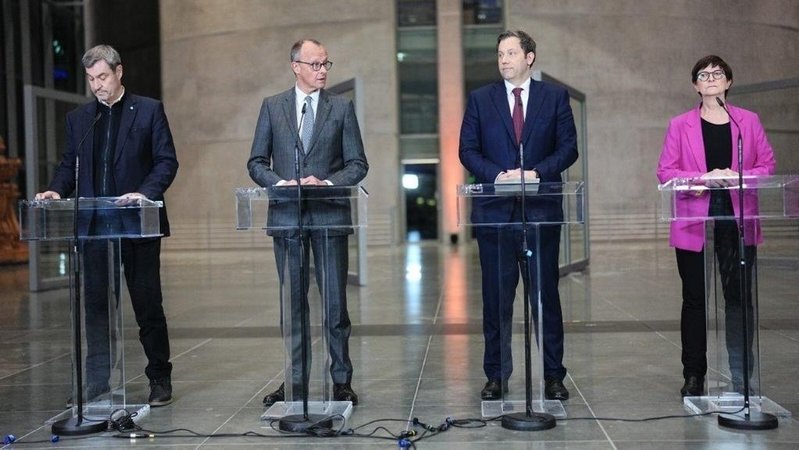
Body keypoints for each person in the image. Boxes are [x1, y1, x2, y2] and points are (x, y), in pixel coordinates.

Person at [35, 45, 179, 406]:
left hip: (137, 222)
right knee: (96, 307)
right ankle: (97, 381)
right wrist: (55, 189)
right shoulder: (80, 119)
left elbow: (165, 161)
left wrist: (144, 193)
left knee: (147, 304)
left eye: (102, 77)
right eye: (90, 80)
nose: (97, 86)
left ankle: (160, 378)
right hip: (95, 228)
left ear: (119, 72)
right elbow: (70, 164)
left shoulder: (148, 110)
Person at [248, 39, 368, 407]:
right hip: (287, 219)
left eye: (326, 64)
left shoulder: (342, 108)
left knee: (335, 306)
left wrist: (328, 182)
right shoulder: (273, 107)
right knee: (293, 306)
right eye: (315, 64)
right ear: (295, 66)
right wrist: (280, 183)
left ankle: (341, 381)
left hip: (330, 215)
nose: (322, 71)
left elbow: (358, 163)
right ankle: (296, 380)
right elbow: (256, 163)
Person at [459, 30, 578, 401]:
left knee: (545, 297)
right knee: (496, 299)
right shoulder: (481, 99)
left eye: (511, 52)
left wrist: (536, 173)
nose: (504, 59)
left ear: (530, 57)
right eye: (499, 53)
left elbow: (568, 148)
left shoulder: (554, 97)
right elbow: (467, 149)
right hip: (494, 214)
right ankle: (496, 375)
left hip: (540, 212)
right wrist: (497, 176)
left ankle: (553, 376)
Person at [657, 55, 775, 397]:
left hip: (737, 219)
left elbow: (767, 165)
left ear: (728, 82)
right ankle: (694, 374)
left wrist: (738, 176)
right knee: (694, 299)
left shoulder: (746, 123)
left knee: (738, 298)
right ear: (695, 85)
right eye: (703, 75)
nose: (710, 78)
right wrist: (703, 178)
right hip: (695, 218)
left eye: (717, 73)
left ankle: (742, 374)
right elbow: (665, 172)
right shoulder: (680, 125)